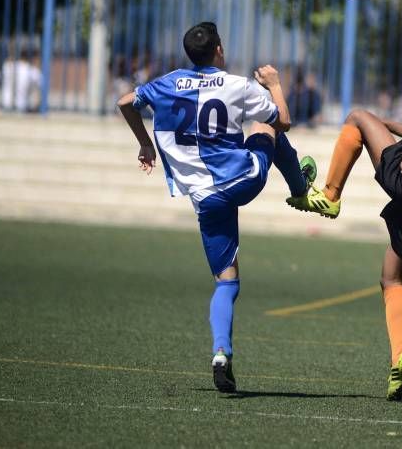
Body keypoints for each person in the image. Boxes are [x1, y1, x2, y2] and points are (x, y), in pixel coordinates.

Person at [117, 22, 316, 393]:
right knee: (266, 128)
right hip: (243, 179)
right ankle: (302, 189)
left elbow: (125, 102)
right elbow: (285, 120)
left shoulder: (166, 82)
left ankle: (221, 352)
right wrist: (274, 84)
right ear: (219, 50)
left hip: (205, 199)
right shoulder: (237, 84)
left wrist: (145, 143)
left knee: (226, 283)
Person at [287, 35, 402, 401]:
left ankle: (329, 196)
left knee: (355, 117)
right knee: (391, 279)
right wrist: (388, 126)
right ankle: (399, 358)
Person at [1, 46, 42, 112]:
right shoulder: (33, 71)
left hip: (6, 104)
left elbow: (1, 76)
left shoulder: (7, 66)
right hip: (22, 106)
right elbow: (40, 90)